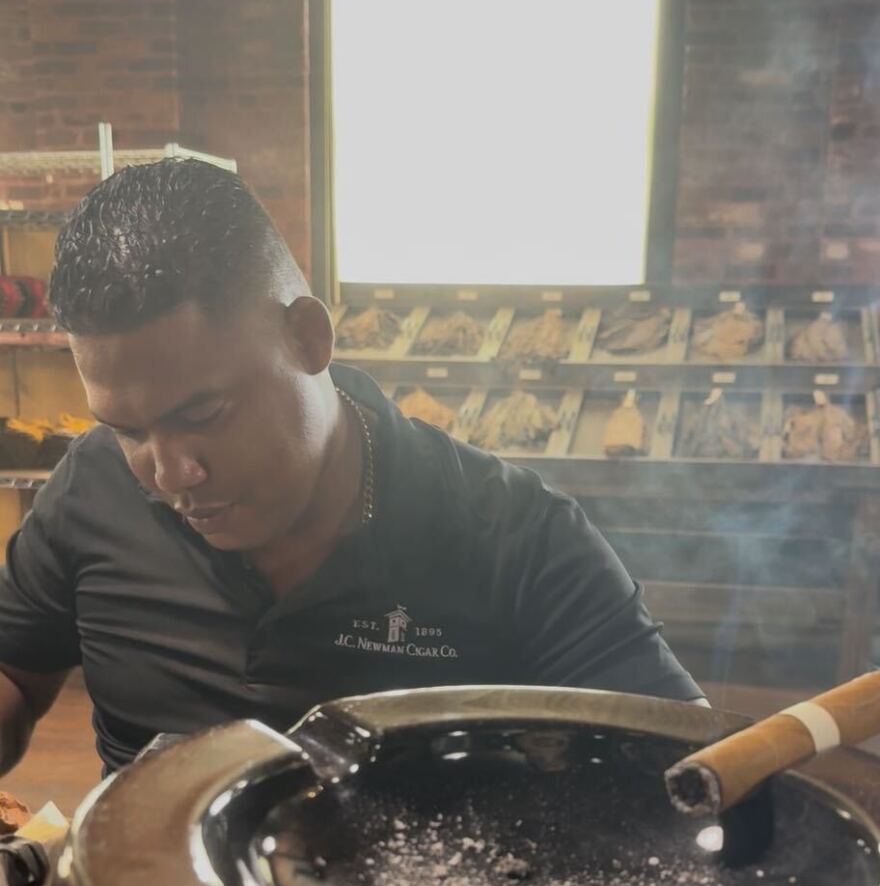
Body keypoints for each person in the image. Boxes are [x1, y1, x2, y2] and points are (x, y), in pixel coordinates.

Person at [0, 160, 702, 778]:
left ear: (308, 338)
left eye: (204, 415)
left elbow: (686, 772)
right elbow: (14, 675)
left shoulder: (511, 534)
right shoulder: (91, 486)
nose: (173, 472)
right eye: (128, 431)